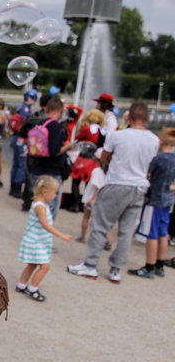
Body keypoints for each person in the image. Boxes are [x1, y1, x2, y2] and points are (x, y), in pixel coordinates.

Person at [68, 102, 159, 283]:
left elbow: (104, 158)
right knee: (125, 231)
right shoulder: (154, 139)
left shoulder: (118, 135)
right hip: (139, 187)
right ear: (147, 118)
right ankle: (116, 269)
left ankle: (91, 265)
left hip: (118, 182)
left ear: (128, 117)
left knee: (100, 225)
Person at [13, 175, 73, 302]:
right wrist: (62, 235)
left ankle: (21, 284)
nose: (56, 196)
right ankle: (33, 289)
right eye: (55, 193)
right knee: (45, 266)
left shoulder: (40, 204)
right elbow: (46, 225)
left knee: (32, 264)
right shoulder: (40, 207)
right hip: (35, 242)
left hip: (37, 240)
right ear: (45, 192)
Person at [128, 128, 175, 278]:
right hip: (167, 200)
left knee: (151, 234)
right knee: (163, 233)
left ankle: (149, 266)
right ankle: (160, 265)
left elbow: (148, 174)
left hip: (154, 200)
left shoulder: (158, 159)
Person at [9, 89, 38, 198]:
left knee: (16, 163)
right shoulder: (25, 109)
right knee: (21, 164)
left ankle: (13, 187)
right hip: (22, 139)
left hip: (16, 138)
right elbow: (26, 124)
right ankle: (17, 188)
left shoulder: (20, 107)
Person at [75, 148, 106, 246]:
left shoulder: (97, 171)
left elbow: (97, 186)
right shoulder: (109, 172)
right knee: (102, 221)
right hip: (103, 200)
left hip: (92, 199)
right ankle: (106, 240)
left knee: (86, 217)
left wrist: (92, 198)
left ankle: (83, 236)